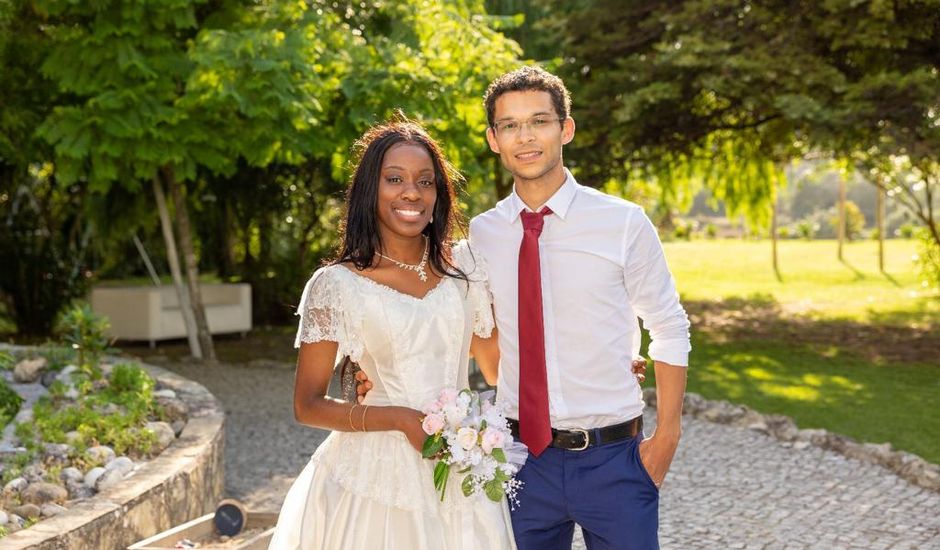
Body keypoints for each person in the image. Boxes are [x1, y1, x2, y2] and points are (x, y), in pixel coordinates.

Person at [360, 66, 689, 550]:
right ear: (494, 139)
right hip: (519, 462)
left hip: (614, 458)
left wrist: (667, 439)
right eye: (510, 125)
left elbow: (669, 326)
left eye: (539, 121)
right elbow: (434, 316)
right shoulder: (483, 238)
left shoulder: (622, 223)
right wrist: (365, 366)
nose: (525, 136)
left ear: (566, 129)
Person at [267, 118, 514, 549]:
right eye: (394, 179)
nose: (411, 193)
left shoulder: (466, 269)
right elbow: (306, 405)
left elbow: (495, 370)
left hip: (458, 467)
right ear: (370, 190)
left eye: (425, 181)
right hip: (373, 478)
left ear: (439, 194)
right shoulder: (336, 285)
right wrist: (400, 420)